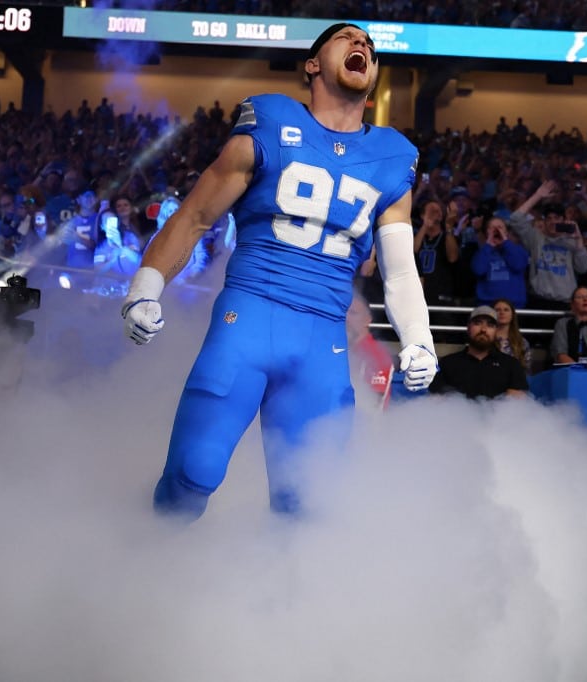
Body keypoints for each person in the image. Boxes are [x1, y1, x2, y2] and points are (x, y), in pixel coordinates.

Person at [121, 23, 438, 519]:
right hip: (249, 317)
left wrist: (419, 338)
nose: (362, 45)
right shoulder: (270, 120)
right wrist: (145, 286)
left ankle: (274, 578)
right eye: (347, 38)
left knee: (308, 509)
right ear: (312, 64)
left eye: (370, 47)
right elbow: (196, 216)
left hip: (324, 339)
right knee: (193, 472)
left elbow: (399, 272)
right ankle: (142, 554)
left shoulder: (393, 156)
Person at [508, 180, 587, 312]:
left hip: (565, 303)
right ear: (544, 221)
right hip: (538, 301)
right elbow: (515, 219)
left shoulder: (572, 241)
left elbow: (583, 268)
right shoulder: (535, 238)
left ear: (563, 220)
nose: (552, 222)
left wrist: (578, 239)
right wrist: (538, 196)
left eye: (556, 218)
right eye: (549, 218)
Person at [428, 305, 529, 399]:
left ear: (496, 331)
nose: (483, 329)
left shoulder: (511, 365)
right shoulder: (447, 364)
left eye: (490, 325)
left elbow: (516, 403)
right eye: (477, 323)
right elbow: (435, 401)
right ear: (468, 327)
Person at [470, 214, 529, 309]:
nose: (496, 230)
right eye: (492, 228)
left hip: (513, 305)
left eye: (500, 227)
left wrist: (505, 243)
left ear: (506, 232)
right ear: (487, 232)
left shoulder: (518, 250)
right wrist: (488, 245)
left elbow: (518, 265)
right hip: (487, 304)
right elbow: (478, 270)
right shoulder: (482, 251)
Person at [549, 285, 587, 365]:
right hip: (572, 370)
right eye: (580, 297)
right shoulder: (563, 324)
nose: (585, 299)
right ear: (572, 305)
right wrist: (578, 370)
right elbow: (560, 355)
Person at [492, 298, 532, 373]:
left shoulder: (522, 342)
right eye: (497, 310)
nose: (502, 312)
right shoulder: (486, 339)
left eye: (506, 310)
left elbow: (526, 371)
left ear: (512, 315)